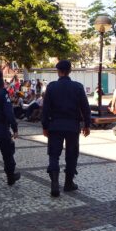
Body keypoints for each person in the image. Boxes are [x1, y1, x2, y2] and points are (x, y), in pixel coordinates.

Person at [42, 60, 91, 197]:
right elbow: (85, 108)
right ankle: (68, 183)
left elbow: (45, 109)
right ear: (70, 71)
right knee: (71, 155)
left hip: (55, 125)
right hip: (72, 126)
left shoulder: (51, 87)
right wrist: (87, 125)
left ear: (58, 71)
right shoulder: (78, 87)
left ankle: (55, 184)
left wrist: (45, 126)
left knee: (53, 155)